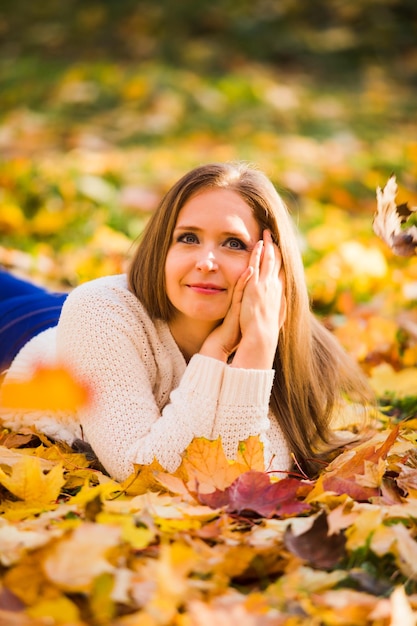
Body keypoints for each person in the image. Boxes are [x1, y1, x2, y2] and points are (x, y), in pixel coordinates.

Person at [0, 162, 372, 482]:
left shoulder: (298, 348)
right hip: (25, 338)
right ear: (163, 247)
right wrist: (214, 356)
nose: (207, 262)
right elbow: (141, 472)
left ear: (270, 265)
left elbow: (248, 475)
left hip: (77, 323)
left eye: (233, 244)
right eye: (188, 238)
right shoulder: (99, 311)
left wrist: (255, 351)